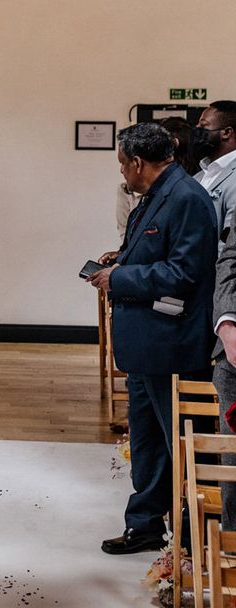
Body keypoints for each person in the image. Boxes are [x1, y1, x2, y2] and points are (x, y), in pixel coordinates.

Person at [90, 122, 218, 554]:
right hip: (145, 345)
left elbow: (185, 273)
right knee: (146, 443)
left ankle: (194, 534)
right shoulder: (158, 194)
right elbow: (157, 250)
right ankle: (144, 525)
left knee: (180, 444)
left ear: (138, 163)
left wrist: (121, 276)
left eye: (122, 165)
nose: (122, 173)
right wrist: (121, 259)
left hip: (172, 345)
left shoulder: (186, 199)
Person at [193, 101, 236, 242]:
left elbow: (229, 241)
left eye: (203, 126)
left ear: (227, 133)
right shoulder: (199, 176)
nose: (197, 130)